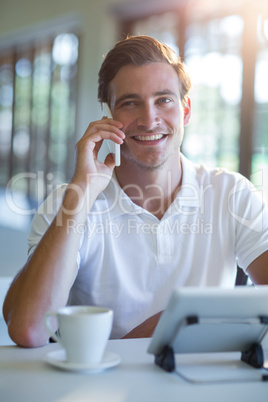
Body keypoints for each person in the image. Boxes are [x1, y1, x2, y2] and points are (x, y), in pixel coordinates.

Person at [3, 35, 268, 348]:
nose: (149, 119)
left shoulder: (231, 192)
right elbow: (29, 329)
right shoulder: (69, 200)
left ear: (185, 111)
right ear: (109, 116)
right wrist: (83, 191)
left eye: (164, 100)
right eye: (130, 103)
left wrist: (169, 323)